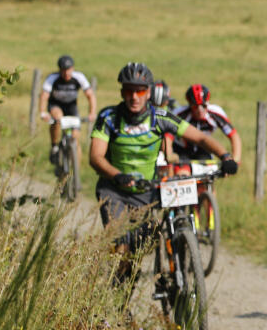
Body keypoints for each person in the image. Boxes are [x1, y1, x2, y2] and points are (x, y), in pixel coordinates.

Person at [89, 63, 236, 269]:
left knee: (139, 251)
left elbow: (200, 138)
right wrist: (117, 175)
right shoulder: (109, 117)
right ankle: (117, 295)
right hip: (114, 190)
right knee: (122, 249)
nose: (134, 97)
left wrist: (226, 156)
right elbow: (96, 157)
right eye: (129, 91)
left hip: (146, 192)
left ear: (148, 92)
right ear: (122, 91)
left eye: (140, 91)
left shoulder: (160, 117)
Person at [39, 55, 96, 162]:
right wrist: (43, 112)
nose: (66, 73)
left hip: (71, 107)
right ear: (59, 70)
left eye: (68, 70)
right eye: (63, 70)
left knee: (75, 137)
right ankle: (54, 147)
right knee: (57, 118)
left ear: (73, 68)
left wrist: (92, 113)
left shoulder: (78, 77)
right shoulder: (53, 78)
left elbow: (90, 95)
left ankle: (75, 174)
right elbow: (44, 96)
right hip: (55, 105)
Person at [174, 83, 242, 166]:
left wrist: (235, 160)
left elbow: (233, 135)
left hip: (204, 150)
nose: (200, 110)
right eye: (195, 107)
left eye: (203, 106)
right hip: (183, 150)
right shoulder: (179, 114)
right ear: (190, 105)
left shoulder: (215, 113)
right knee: (182, 174)